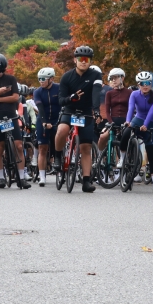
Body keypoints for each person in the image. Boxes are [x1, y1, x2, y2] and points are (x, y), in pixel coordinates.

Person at [53, 45, 103, 193]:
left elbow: (96, 93)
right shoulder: (66, 77)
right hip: (70, 109)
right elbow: (61, 100)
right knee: (62, 130)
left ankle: (86, 181)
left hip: (86, 112)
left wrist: (96, 111)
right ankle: (57, 156)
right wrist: (71, 98)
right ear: (75, 60)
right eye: (81, 59)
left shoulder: (95, 75)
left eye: (87, 59)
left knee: (86, 148)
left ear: (90, 61)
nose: (83, 62)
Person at [0, 53, 30, 189]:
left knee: (19, 146)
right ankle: (1, 177)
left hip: (11, 115)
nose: (0, 73)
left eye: (3, 70)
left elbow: (15, 97)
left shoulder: (11, 79)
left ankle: (22, 177)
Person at [120, 71, 153, 191]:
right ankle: (123, 158)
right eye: (142, 83)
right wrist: (128, 121)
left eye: (148, 83)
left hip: (150, 122)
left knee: (151, 153)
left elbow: (152, 111)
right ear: (138, 84)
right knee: (126, 133)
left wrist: (146, 125)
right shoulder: (134, 94)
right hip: (137, 120)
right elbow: (131, 108)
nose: (145, 85)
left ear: (150, 83)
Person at [34, 67, 59, 186]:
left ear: (51, 79)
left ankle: (60, 164)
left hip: (57, 120)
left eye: (43, 79)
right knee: (42, 148)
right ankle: (42, 176)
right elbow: (40, 108)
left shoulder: (59, 89)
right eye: (39, 79)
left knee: (59, 144)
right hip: (43, 120)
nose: (41, 81)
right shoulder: (37, 91)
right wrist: (44, 122)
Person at [98, 68, 129, 151]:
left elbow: (132, 109)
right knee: (102, 136)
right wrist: (111, 122)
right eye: (111, 78)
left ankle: (121, 160)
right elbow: (107, 111)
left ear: (122, 78)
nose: (113, 80)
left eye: (115, 78)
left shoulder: (130, 92)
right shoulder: (109, 93)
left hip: (126, 121)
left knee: (123, 141)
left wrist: (129, 121)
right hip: (112, 121)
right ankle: (100, 156)